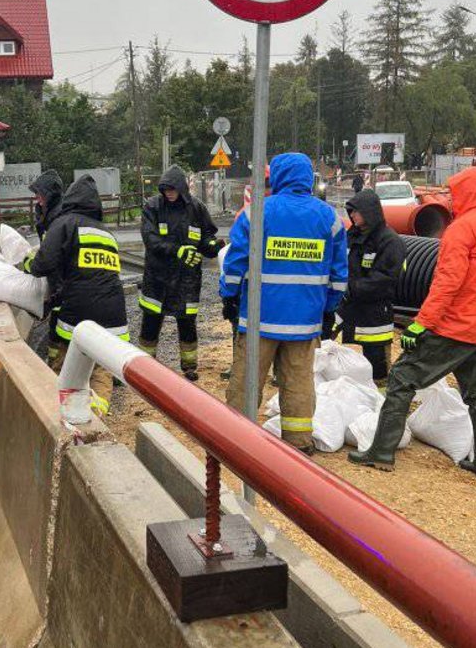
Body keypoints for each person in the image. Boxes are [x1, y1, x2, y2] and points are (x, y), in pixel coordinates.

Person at [349, 165, 476, 476]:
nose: (451, 200)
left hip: (453, 327)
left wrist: (421, 324)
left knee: (401, 379)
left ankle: (381, 452)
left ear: (465, 194)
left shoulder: (463, 229)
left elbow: (447, 283)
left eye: (454, 193)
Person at [220, 152, 347, 452]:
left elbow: (236, 263)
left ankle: (237, 441)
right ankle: (299, 445)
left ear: (276, 176)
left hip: (258, 320)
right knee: (299, 385)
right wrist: (329, 310)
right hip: (304, 323)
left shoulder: (257, 212)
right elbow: (339, 274)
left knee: (246, 383)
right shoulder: (329, 218)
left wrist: (229, 296)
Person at [21, 174, 128, 415]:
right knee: (100, 367)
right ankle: (97, 417)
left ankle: (64, 415)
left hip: (78, 307)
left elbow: (43, 264)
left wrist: (27, 264)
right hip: (113, 310)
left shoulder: (65, 223)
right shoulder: (107, 232)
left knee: (65, 359)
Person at [139, 165, 223, 380]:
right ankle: (145, 367)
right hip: (157, 277)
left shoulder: (196, 208)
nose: (169, 193)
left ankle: (189, 366)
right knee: (151, 321)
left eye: (172, 189)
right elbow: (151, 239)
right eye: (165, 189)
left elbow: (206, 236)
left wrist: (213, 246)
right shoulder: (153, 207)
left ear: (182, 188)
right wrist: (178, 250)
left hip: (187, 279)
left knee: (186, 323)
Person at [335, 188, 405, 383]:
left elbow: (385, 279)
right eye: (351, 212)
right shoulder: (353, 236)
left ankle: (380, 398)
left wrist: (353, 288)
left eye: (356, 211)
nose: (352, 216)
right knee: (324, 340)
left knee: (377, 364)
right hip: (347, 306)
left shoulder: (390, 242)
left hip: (375, 313)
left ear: (369, 212)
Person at [29, 170, 64, 241]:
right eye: (36, 193)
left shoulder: (61, 215)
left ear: (50, 194)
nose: (37, 197)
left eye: (39, 193)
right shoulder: (43, 212)